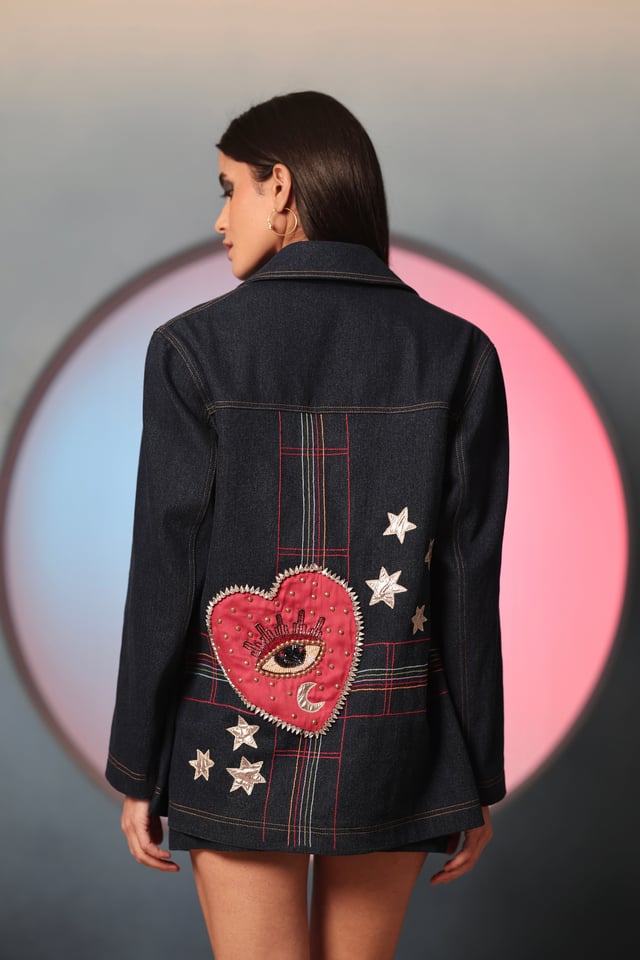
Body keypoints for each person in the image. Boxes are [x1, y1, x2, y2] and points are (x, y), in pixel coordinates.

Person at [106, 91, 509, 960]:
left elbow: (164, 569)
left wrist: (137, 765)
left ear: (281, 187)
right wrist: (475, 772)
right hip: (395, 737)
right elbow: (468, 579)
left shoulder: (190, 349)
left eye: (229, 189)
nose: (220, 220)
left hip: (229, 733)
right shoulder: (460, 353)